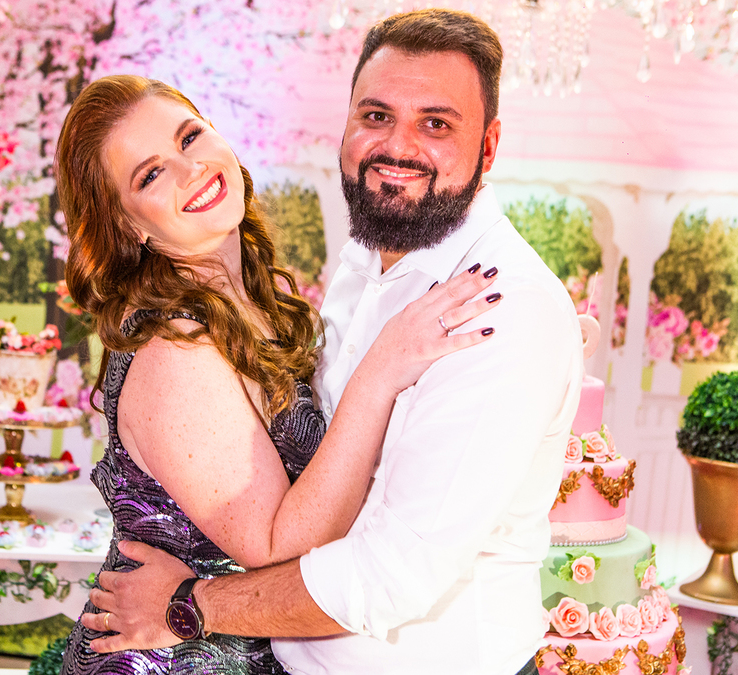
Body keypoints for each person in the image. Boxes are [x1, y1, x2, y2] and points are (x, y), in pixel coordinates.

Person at [83, 9, 585, 675]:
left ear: (489, 147)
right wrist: (381, 371)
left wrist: (188, 603)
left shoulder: (497, 307)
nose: (398, 146)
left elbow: (392, 574)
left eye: (436, 123)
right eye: (376, 115)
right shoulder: (357, 266)